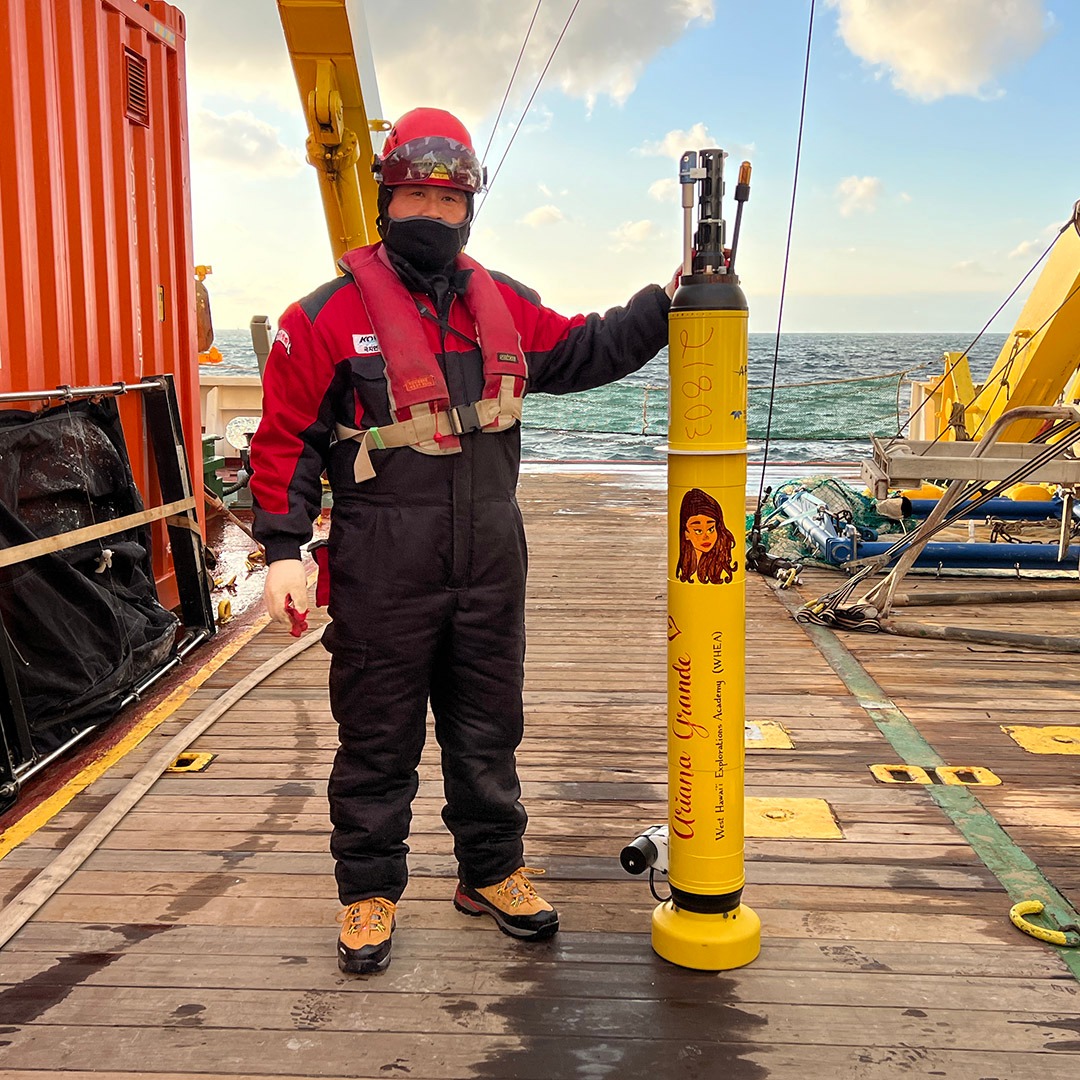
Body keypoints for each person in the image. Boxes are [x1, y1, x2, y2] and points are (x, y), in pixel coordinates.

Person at [250, 107, 675, 975]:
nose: (431, 215)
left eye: (448, 202)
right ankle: (368, 889)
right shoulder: (322, 317)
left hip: (489, 562)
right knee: (377, 734)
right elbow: (285, 438)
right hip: (381, 565)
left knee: (489, 727)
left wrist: (666, 304)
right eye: (414, 196)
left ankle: (492, 872)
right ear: (384, 199)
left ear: (469, 210)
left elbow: (587, 348)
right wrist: (285, 550)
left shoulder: (504, 303)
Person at [675, 487, 738, 584]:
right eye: (698, 531)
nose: (706, 537)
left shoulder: (723, 565)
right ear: (686, 534)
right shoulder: (683, 567)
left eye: (711, 529)